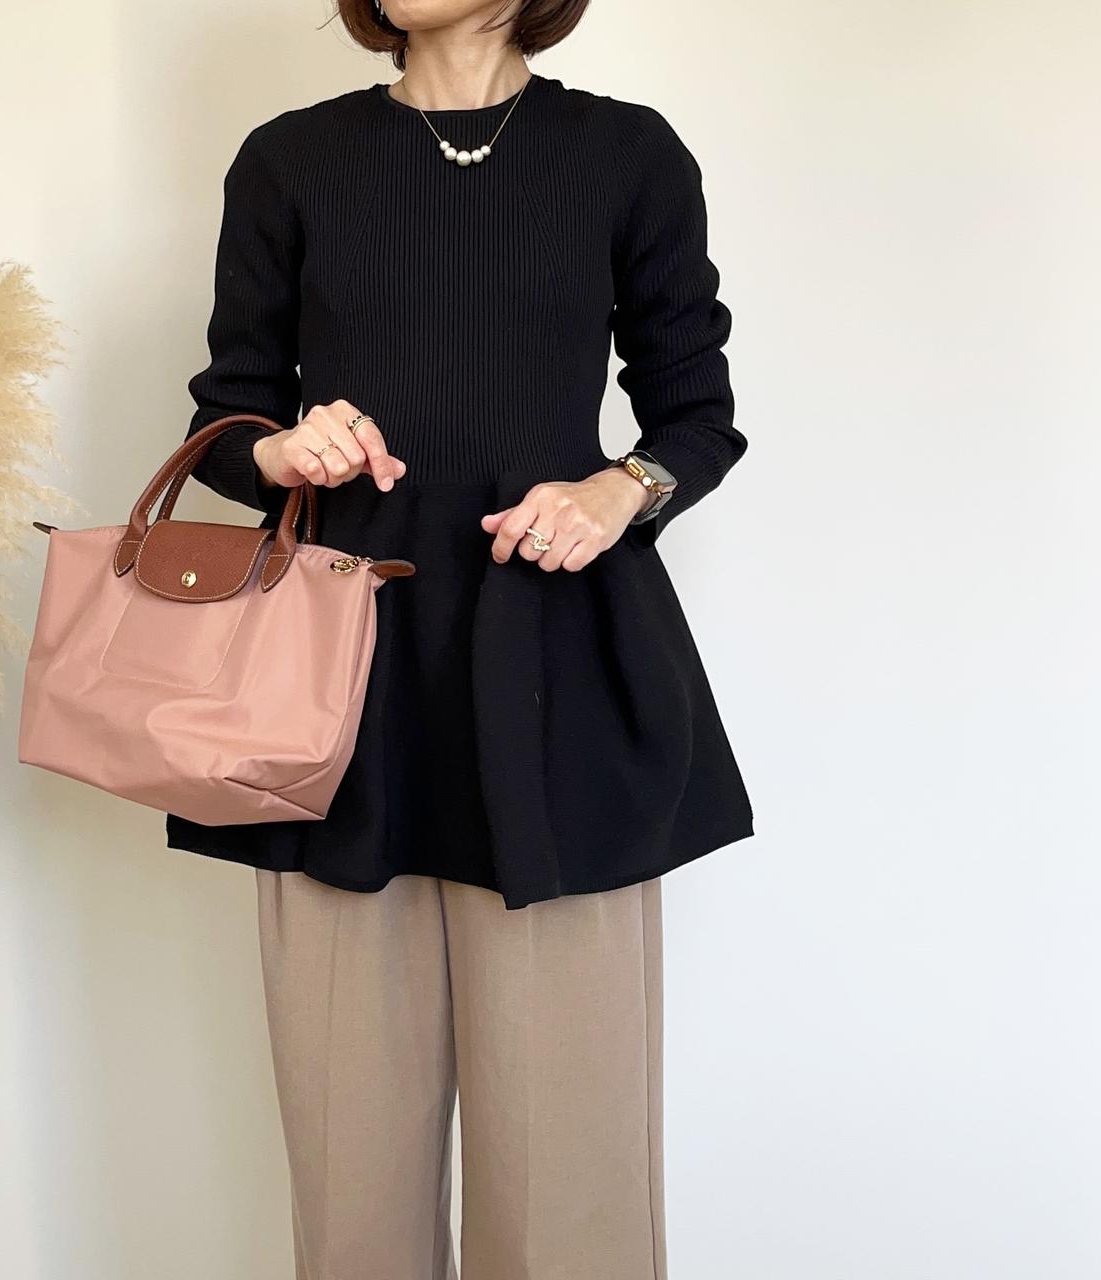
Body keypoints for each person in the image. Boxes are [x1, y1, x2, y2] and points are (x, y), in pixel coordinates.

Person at [169, 2, 753, 1275]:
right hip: (337, 683)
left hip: (556, 668)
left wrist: (616, 492)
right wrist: (283, 447)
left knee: (571, 1172)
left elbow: (695, 415)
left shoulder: (625, 154)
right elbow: (229, 415)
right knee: (349, 1169)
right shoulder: (290, 159)